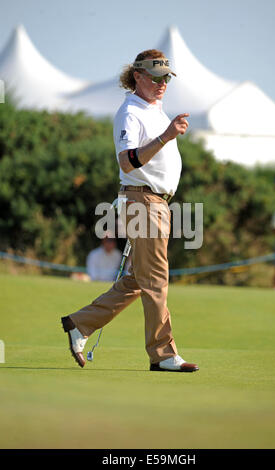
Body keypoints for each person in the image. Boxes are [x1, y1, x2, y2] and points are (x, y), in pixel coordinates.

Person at [61, 49, 198, 373]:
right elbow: (126, 161)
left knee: (139, 279)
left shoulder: (154, 108)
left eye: (166, 77)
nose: (162, 83)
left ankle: (79, 324)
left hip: (154, 202)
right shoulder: (130, 112)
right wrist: (166, 136)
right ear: (138, 76)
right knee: (156, 279)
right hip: (142, 201)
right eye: (155, 77)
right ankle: (163, 354)